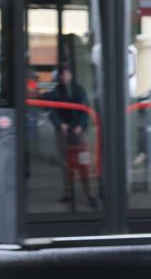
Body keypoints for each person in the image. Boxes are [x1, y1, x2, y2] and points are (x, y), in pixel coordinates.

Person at [46, 64, 97, 209]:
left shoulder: (78, 90)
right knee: (65, 163)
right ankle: (68, 193)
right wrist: (60, 124)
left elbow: (85, 110)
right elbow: (52, 110)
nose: (64, 77)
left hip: (78, 131)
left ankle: (89, 194)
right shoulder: (56, 91)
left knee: (84, 162)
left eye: (66, 74)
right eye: (62, 74)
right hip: (62, 130)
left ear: (71, 75)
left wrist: (79, 126)